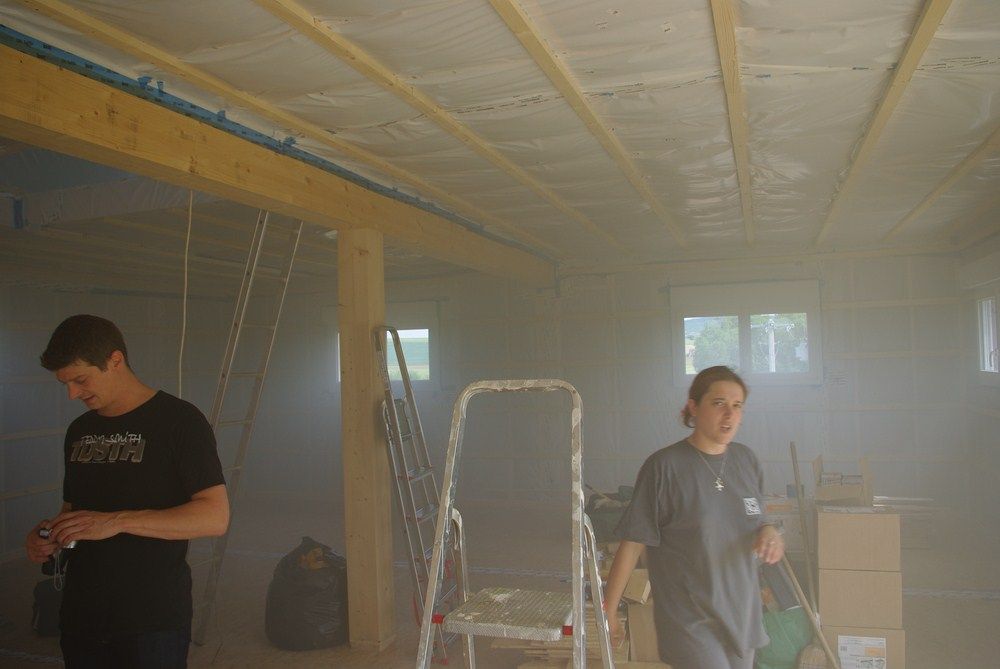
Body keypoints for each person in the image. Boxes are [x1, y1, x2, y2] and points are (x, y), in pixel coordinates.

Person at [24, 314, 229, 668]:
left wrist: (116, 521)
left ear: (114, 361)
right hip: (81, 615)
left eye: (80, 379)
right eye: (65, 384)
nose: (73, 393)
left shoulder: (180, 421)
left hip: (151, 621)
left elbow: (214, 516)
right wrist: (50, 535)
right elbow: (72, 510)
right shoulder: (80, 430)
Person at [603, 365, 783, 669]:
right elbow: (633, 542)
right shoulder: (665, 467)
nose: (729, 414)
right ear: (693, 407)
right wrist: (608, 610)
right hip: (690, 617)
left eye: (737, 406)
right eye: (719, 404)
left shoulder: (746, 460)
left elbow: (757, 520)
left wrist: (769, 532)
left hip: (742, 611)